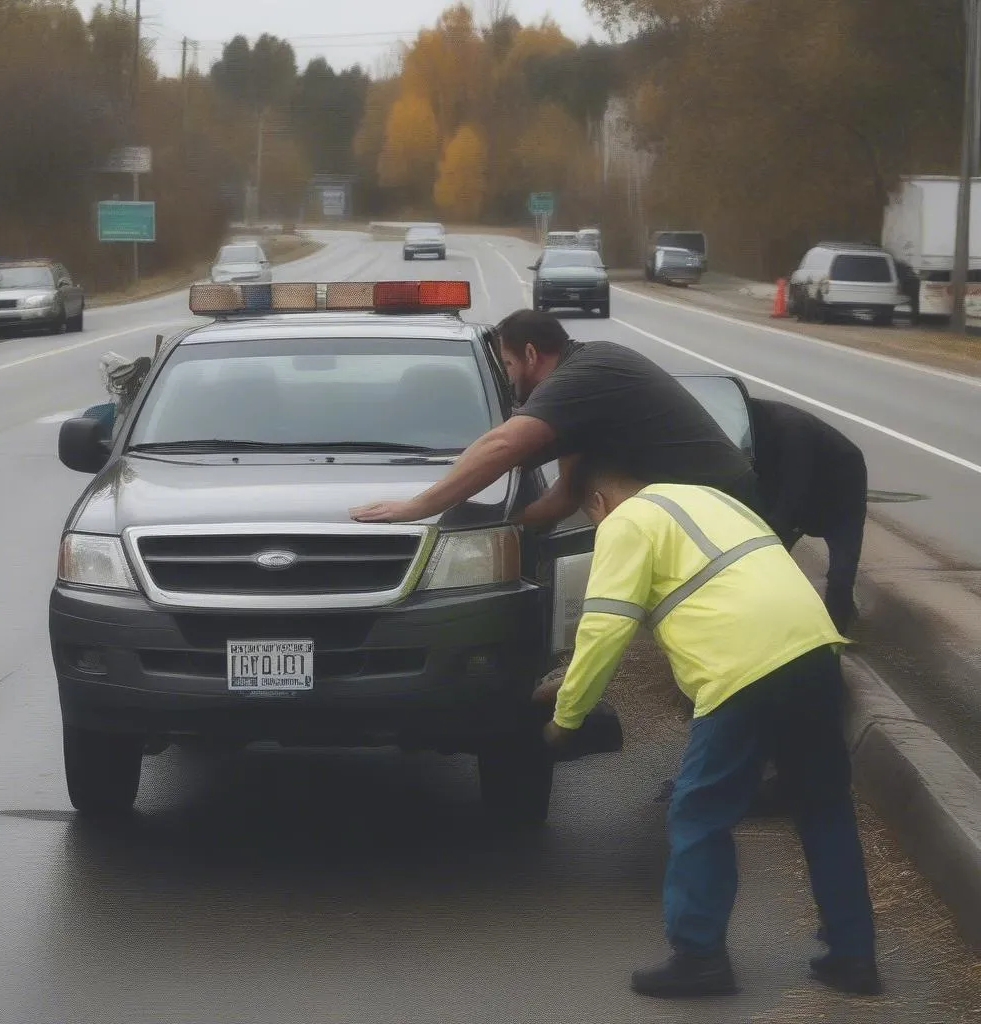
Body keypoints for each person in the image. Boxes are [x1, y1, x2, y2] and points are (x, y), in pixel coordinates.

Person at [534, 458, 879, 999]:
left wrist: (566, 719)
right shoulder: (711, 499)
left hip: (744, 666)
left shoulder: (626, 522)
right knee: (822, 805)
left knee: (697, 811)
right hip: (814, 650)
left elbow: (605, 628)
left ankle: (699, 957)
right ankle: (855, 956)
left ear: (598, 502)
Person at [350, 309, 759, 525]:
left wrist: (419, 506)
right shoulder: (582, 397)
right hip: (711, 503)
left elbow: (502, 443)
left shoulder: (583, 374)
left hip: (723, 506)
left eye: (507, 364)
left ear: (531, 354)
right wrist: (506, 524)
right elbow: (564, 497)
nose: (509, 381)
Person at [750, 399, 867, 633]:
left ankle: (838, 629)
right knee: (767, 556)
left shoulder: (793, 431)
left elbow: (794, 489)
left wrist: (772, 534)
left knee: (841, 571)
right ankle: (766, 612)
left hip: (843, 486)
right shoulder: (751, 426)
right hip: (797, 478)